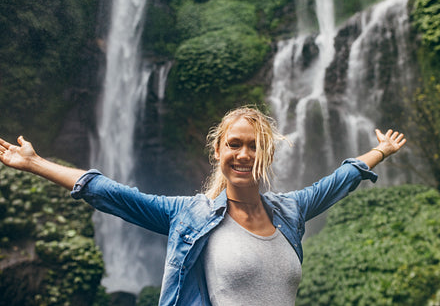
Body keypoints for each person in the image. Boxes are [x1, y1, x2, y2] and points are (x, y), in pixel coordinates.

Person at [0, 106, 406, 306]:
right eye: (235, 144)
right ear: (218, 150)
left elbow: (340, 180)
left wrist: (381, 151)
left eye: (255, 145)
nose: (245, 154)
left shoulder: (291, 210)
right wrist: (35, 163)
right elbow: (108, 192)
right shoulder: (187, 214)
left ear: (267, 155)